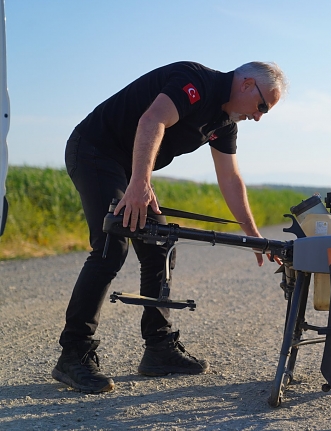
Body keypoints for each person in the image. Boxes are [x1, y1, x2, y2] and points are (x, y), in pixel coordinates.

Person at [52, 61, 288, 394]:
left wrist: (253, 233)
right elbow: (152, 120)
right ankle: (73, 353)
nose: (259, 116)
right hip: (94, 149)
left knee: (159, 246)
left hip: (125, 167)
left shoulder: (224, 123)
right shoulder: (196, 82)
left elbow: (231, 178)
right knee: (112, 243)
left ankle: (158, 348)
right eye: (262, 106)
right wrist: (140, 182)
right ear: (247, 84)